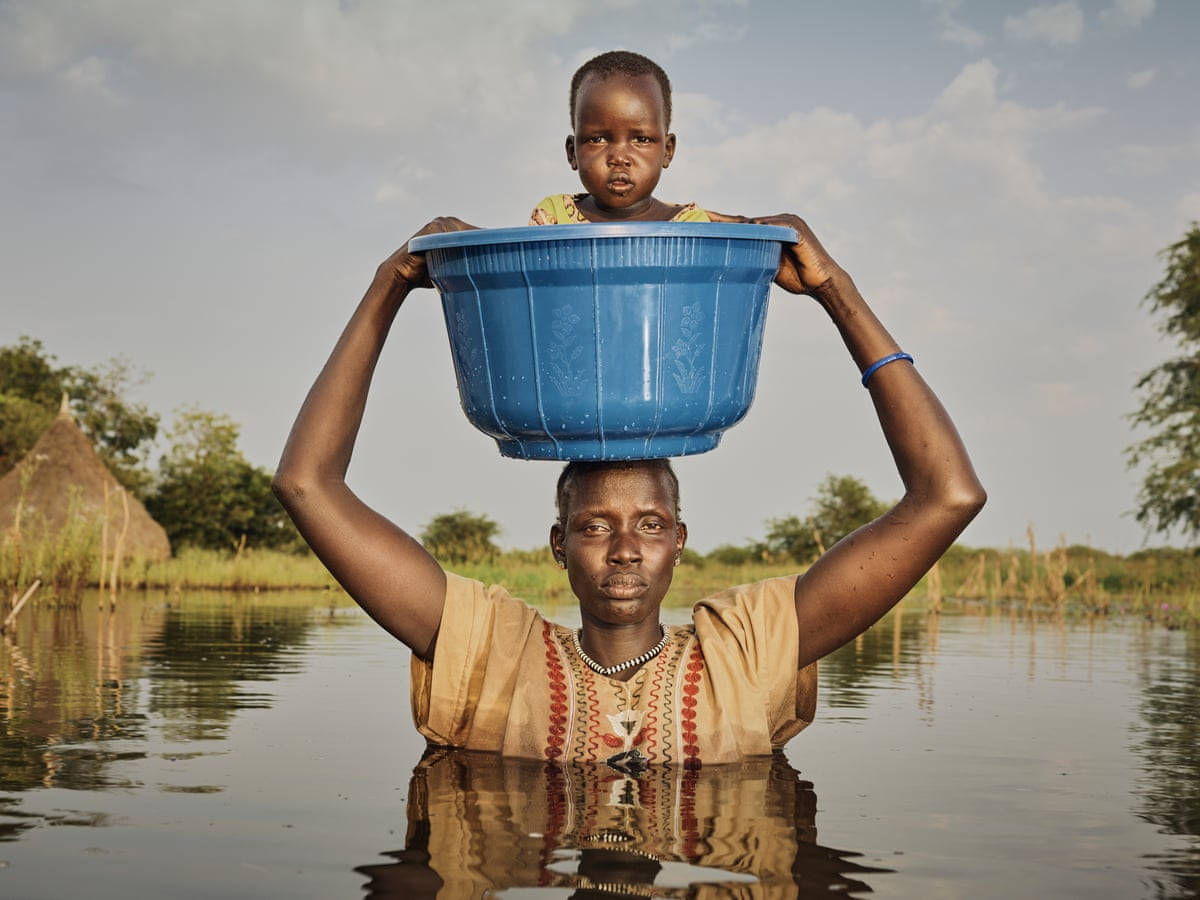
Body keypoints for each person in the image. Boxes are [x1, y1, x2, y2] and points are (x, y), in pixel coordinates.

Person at [272, 56, 985, 769]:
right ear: (558, 543)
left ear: (679, 538)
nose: (623, 549)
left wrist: (839, 293)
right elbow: (306, 485)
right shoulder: (490, 650)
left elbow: (949, 496)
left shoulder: (751, 651)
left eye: (648, 525)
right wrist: (387, 285)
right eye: (594, 525)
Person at [528, 51, 710, 225]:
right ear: (572, 152)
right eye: (598, 140)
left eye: (642, 140)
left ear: (667, 151)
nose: (619, 158)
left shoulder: (690, 224)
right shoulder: (554, 217)